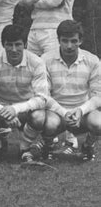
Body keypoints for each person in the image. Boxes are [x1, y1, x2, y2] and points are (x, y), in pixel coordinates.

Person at [0, 24, 48, 162]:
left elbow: (42, 98)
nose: (14, 49)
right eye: (9, 45)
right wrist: (4, 111)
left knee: (39, 116)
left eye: (18, 44)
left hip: (24, 108)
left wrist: (15, 109)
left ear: (25, 44)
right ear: (3, 44)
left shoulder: (37, 62)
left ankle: (25, 148)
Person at [39, 20, 101, 161]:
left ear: (81, 40)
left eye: (74, 41)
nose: (69, 46)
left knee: (99, 123)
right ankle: (48, 147)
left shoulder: (92, 60)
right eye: (64, 41)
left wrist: (80, 110)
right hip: (56, 111)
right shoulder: (45, 59)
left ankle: (87, 146)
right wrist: (63, 112)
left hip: (82, 113)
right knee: (48, 123)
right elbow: (43, 95)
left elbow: (98, 96)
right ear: (58, 40)